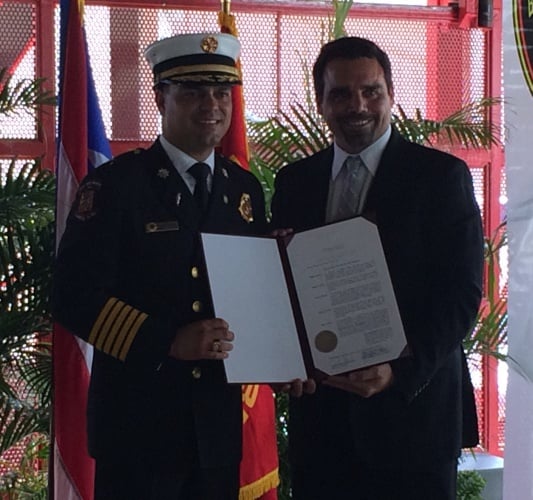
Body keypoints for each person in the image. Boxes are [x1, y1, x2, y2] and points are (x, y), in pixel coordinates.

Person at [53, 32, 268, 500]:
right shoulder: (117, 186)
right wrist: (167, 340)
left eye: (221, 92)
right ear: (160, 98)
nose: (211, 105)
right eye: (192, 92)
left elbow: (255, 294)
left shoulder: (244, 191)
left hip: (216, 432)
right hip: (137, 431)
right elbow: (71, 295)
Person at [270, 36, 484, 500]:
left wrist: (399, 372)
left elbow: (462, 295)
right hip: (322, 427)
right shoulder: (294, 183)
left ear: (390, 95)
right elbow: (280, 289)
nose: (358, 106)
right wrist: (282, 359)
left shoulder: (440, 178)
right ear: (321, 103)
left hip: (414, 421)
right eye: (341, 94)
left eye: (371, 91)